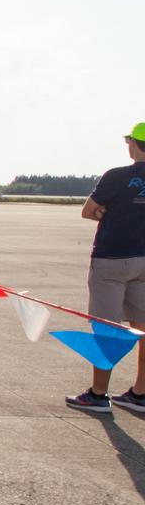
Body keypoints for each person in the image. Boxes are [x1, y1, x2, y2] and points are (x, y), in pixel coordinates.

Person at [65, 122, 145, 413]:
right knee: (143, 328)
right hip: (144, 260)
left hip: (111, 260)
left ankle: (99, 394)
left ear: (133, 144)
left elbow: (88, 211)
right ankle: (140, 393)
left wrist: (110, 214)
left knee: (107, 328)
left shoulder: (116, 176)